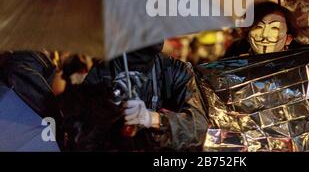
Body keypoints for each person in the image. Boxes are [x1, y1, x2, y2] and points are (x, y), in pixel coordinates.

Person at [58, 43, 208, 151]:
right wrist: (111, 109)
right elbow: (78, 135)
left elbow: (198, 128)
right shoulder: (102, 72)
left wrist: (153, 119)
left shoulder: (175, 71)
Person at [224, 1, 295, 57]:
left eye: (275, 28)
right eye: (258, 27)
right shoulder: (234, 67)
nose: (265, 35)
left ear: (289, 39)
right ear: (247, 36)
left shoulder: (301, 66)